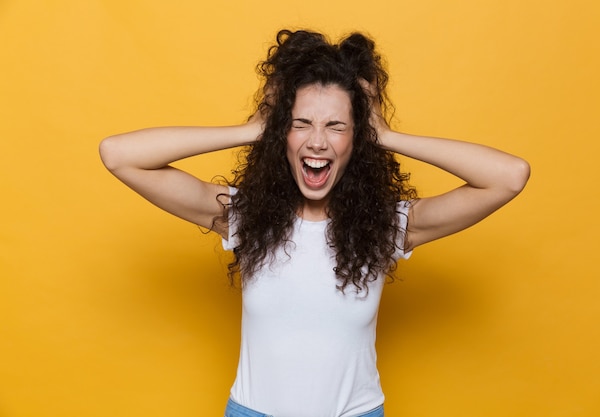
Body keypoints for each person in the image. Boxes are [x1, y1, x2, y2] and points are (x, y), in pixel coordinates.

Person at [99, 29, 530, 417]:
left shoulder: (387, 225)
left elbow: (508, 177)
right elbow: (119, 155)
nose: (317, 141)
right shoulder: (244, 218)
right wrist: (253, 129)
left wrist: (386, 135)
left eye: (337, 126)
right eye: (300, 123)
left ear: (356, 138)